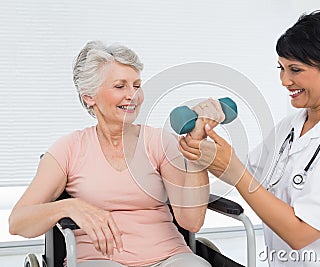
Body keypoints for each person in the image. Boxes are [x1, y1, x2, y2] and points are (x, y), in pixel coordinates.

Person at [179, 10, 320, 266]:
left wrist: (233, 168)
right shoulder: (289, 127)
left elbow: (300, 233)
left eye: (295, 69)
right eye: (281, 68)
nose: (284, 80)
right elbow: (249, 176)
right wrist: (206, 146)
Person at [8, 41, 214, 267]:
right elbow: (18, 222)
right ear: (89, 96)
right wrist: (69, 206)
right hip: (98, 260)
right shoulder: (68, 148)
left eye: (136, 85)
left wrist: (196, 152)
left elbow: (191, 222)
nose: (132, 95)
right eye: (120, 86)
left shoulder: (159, 141)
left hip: (170, 257)